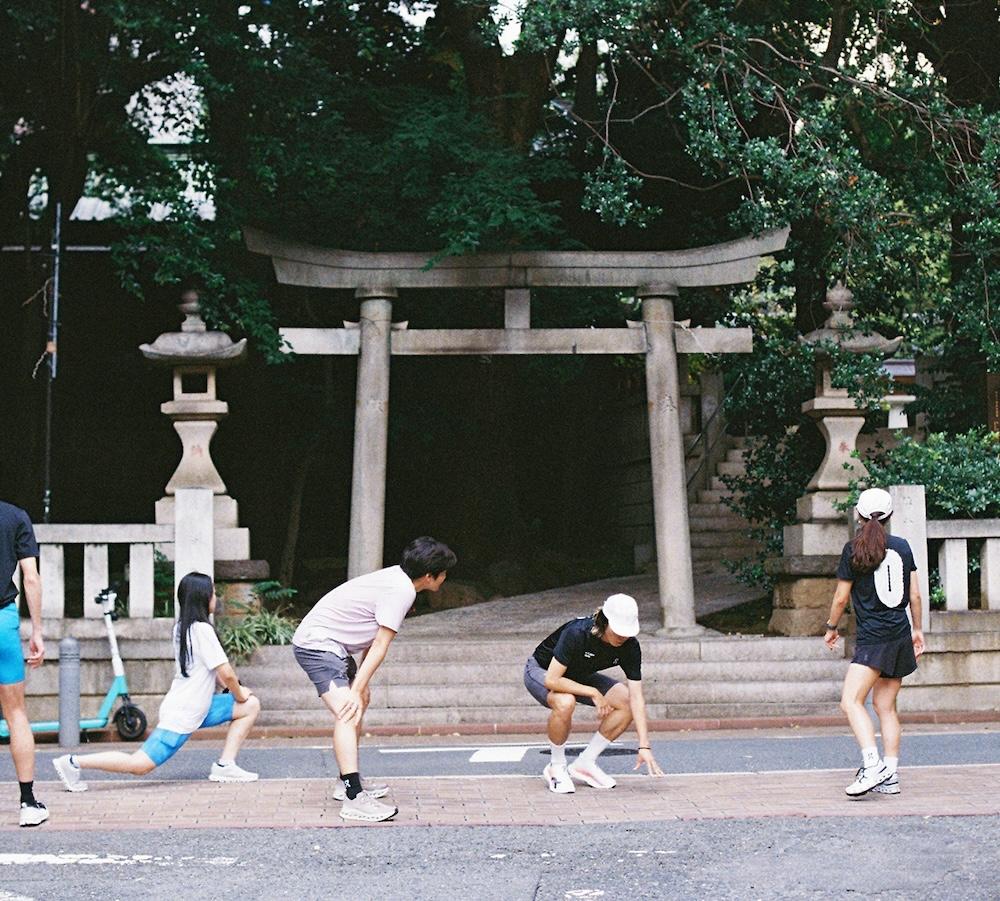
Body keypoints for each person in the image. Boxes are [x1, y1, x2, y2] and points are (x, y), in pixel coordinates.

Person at [292, 536, 456, 822]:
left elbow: (371, 636)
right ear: (430, 576)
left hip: (336, 646)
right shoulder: (401, 591)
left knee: (360, 700)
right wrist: (353, 690)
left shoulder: (397, 579)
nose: (445, 578)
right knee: (348, 712)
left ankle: (344, 782)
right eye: (443, 573)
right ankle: (353, 797)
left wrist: (360, 686)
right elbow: (380, 645)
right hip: (317, 645)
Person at [53, 572, 260, 791]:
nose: (215, 598)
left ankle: (225, 765)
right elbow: (226, 672)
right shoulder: (202, 630)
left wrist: (236, 692)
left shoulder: (182, 628)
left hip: (196, 707)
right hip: (184, 714)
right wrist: (238, 694)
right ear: (203, 597)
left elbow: (218, 675)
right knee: (139, 765)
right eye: (213, 593)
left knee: (250, 705)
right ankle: (72, 762)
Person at [823, 487, 925, 798]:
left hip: (872, 639)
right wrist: (918, 630)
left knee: (850, 701)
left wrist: (831, 627)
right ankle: (891, 776)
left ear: (859, 515)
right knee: (885, 707)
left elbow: (841, 597)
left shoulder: (853, 549)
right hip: (899, 635)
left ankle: (872, 765)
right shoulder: (903, 547)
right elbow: (916, 595)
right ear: (890, 516)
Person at [524, 593, 665, 793]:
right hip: (543, 671)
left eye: (627, 632)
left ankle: (585, 763)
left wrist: (644, 745)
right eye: (618, 631)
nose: (622, 637)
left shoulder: (630, 646)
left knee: (625, 701)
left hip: (579, 674)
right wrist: (592, 692)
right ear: (604, 622)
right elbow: (552, 680)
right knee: (565, 702)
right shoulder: (578, 633)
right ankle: (555, 766)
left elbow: (636, 697)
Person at [0, 500, 47, 827]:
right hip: (2, 622)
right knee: (15, 712)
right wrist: (38, 631)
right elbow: (30, 577)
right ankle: (28, 803)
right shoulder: (15, 516)